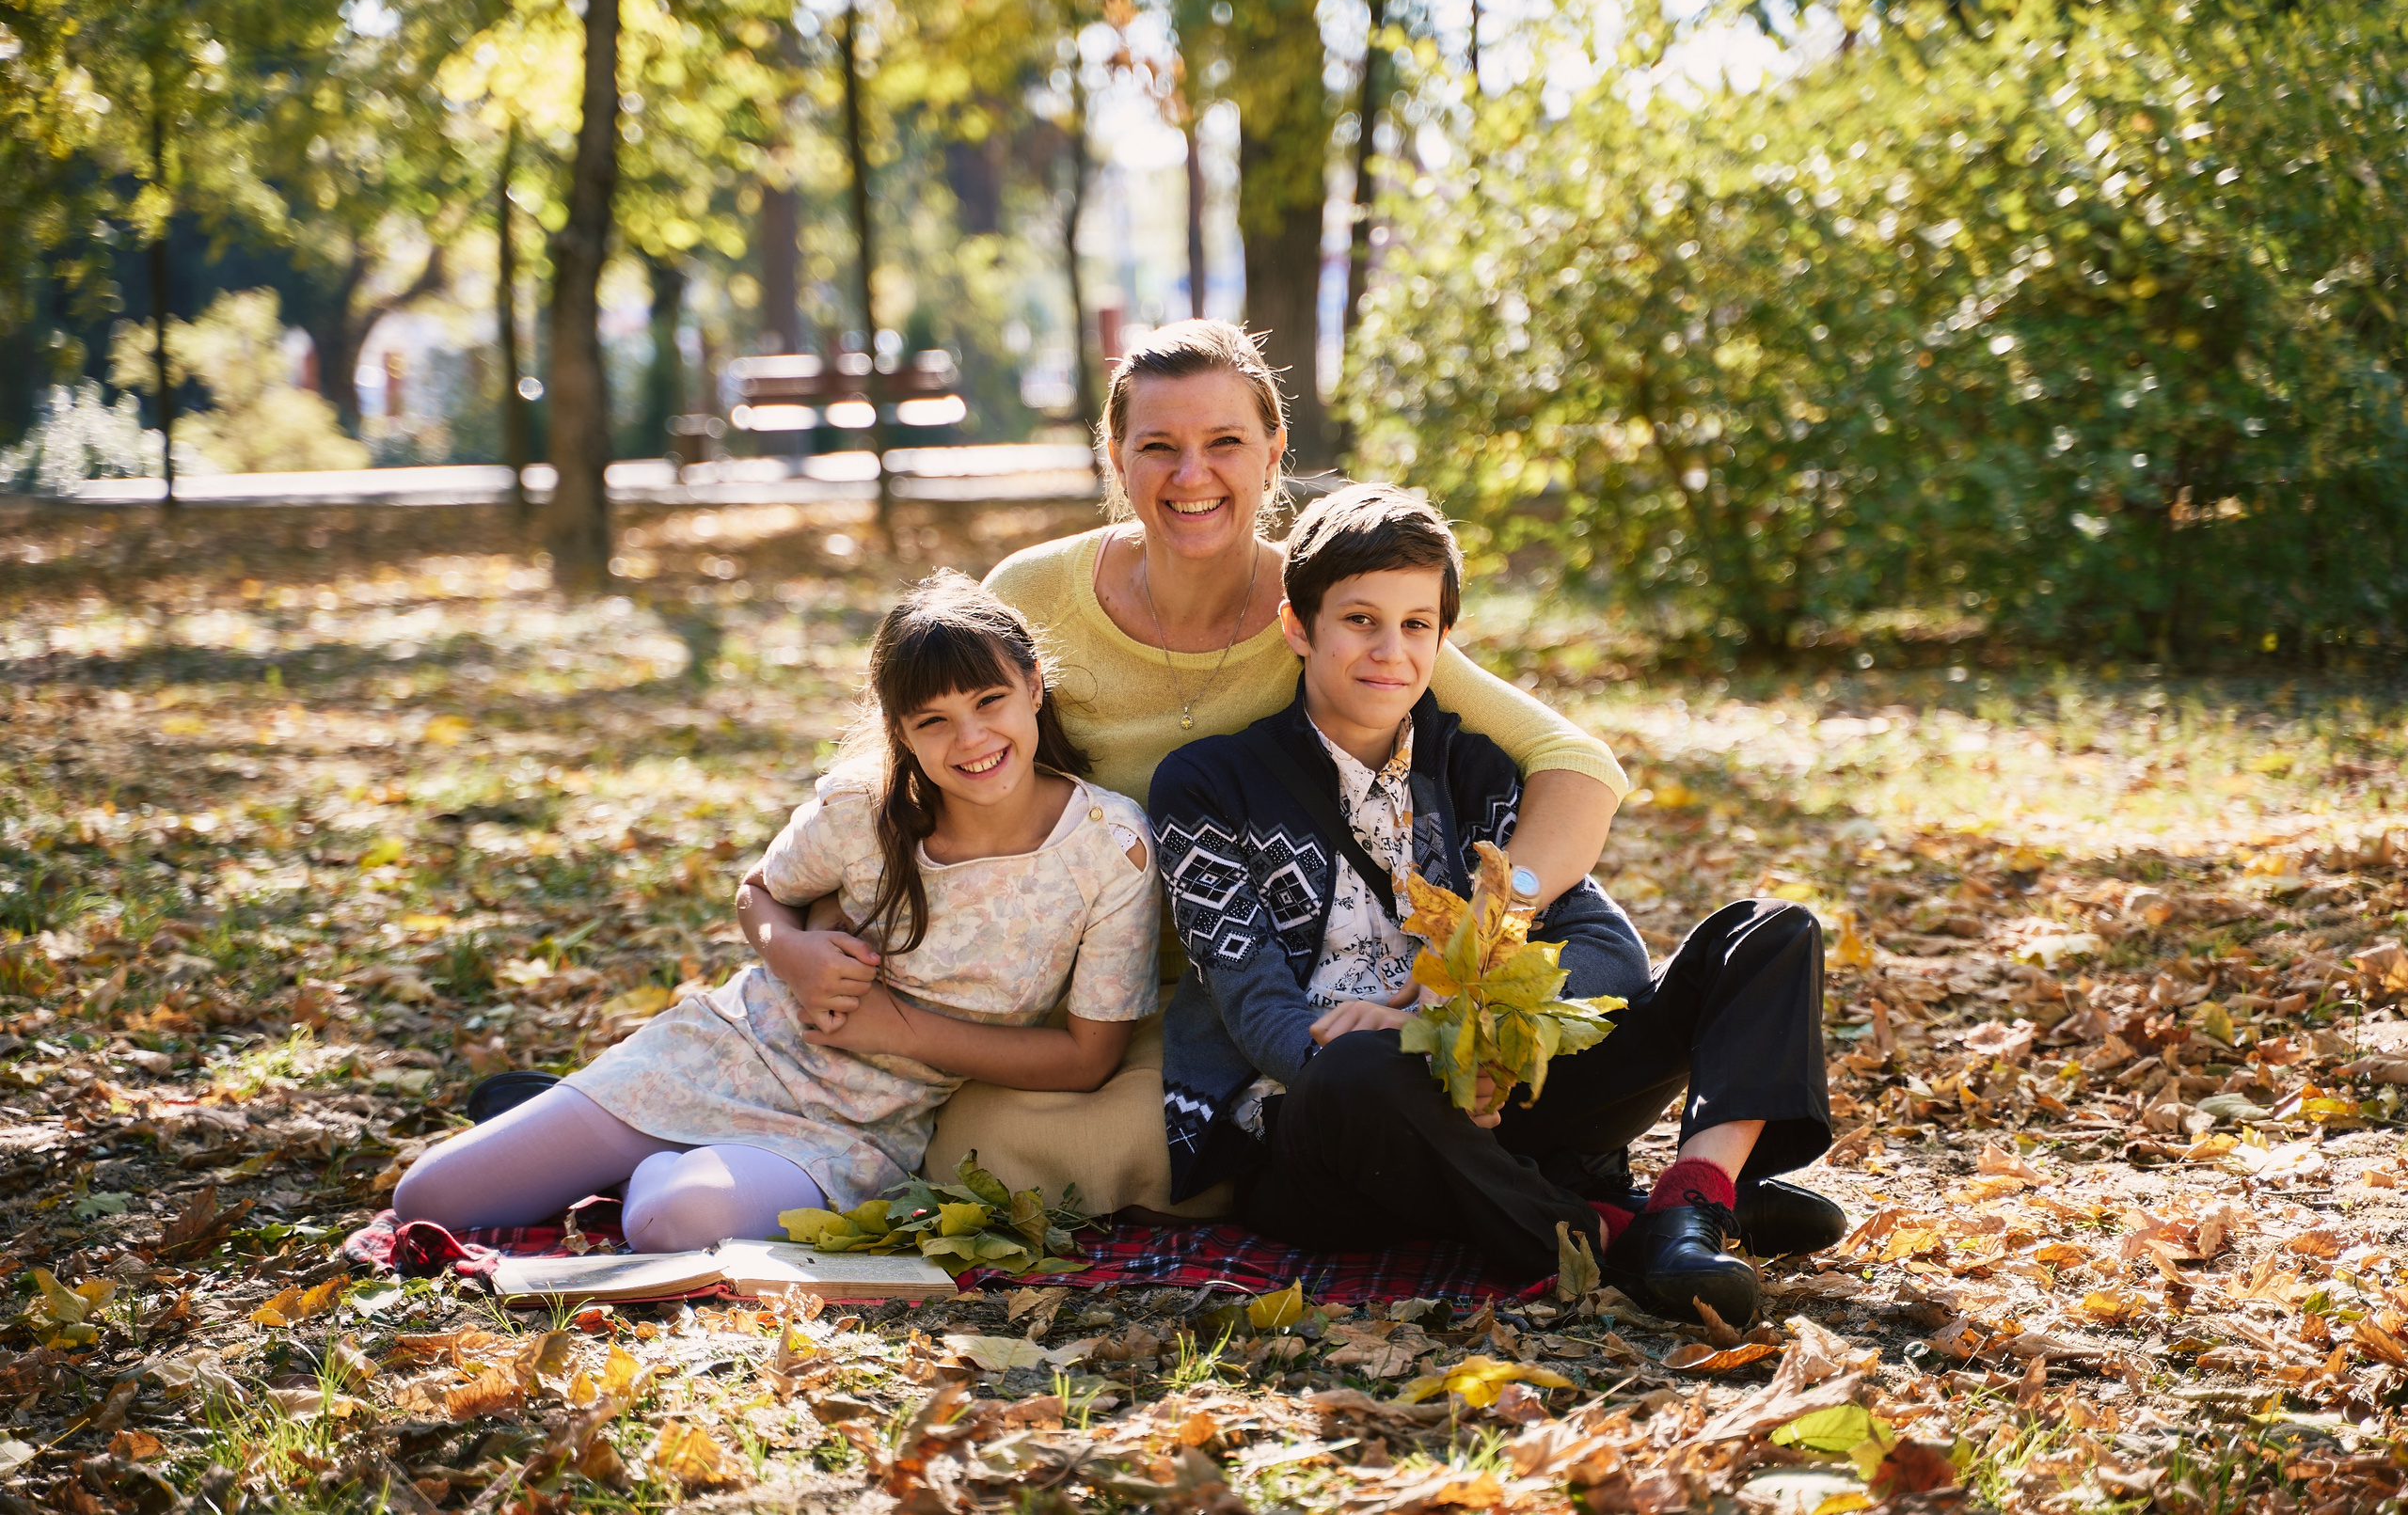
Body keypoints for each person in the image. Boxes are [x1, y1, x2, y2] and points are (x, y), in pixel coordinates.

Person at [779, 319, 1635, 1217]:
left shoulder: (1330, 609)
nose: (1192, 476)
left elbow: (1575, 762)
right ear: (1117, 458)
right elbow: (884, 774)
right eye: (1159, 447)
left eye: (1225, 442)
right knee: (975, 1153)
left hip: (1243, 993)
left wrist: (1484, 931)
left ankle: (1548, 1198)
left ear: (1273, 454)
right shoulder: (1032, 594)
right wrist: (793, 937)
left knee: (1217, 1145)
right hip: (1043, 988)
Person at [1149, 482, 1840, 1324]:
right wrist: (1421, 1050)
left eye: (1415, 626)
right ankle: (1619, 1234)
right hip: (1329, 1132)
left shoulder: (1472, 769)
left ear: (1442, 638)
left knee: (1770, 933)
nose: (1389, 652)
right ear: (1299, 627)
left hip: (1503, 1089)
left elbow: (1607, 951)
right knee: (1359, 1068)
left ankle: (1696, 1196)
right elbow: (1255, 1005)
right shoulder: (1208, 785)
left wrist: (1461, 1032)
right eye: (1360, 620)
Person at [392, 575, 1161, 1253]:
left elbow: (1088, 1057)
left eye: (989, 700)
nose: (971, 738)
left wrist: (899, 1029)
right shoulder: (862, 808)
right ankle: (615, 1123)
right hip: (732, 1048)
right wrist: (790, 954)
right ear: (900, 731)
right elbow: (759, 892)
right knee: (428, 1200)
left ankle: (641, 1162)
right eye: (933, 720)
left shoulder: (1108, 847)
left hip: (855, 1126)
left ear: (1033, 684)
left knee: (668, 1220)